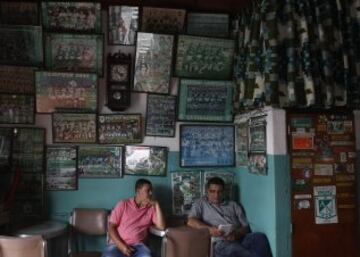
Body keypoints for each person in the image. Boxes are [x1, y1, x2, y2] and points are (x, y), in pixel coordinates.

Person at [187, 177, 272, 257]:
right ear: (207, 191)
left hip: (238, 237)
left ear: (224, 192)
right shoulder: (201, 203)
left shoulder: (233, 205)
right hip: (220, 241)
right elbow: (191, 221)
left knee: (259, 237)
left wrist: (236, 234)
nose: (216, 195)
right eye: (212, 191)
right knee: (233, 249)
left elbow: (246, 227)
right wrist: (209, 229)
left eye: (219, 191)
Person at [102, 178, 166, 257]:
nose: (151, 193)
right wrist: (122, 246)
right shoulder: (123, 204)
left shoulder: (151, 209)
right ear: (138, 191)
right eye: (148, 190)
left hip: (139, 247)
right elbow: (111, 228)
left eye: (151, 190)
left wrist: (157, 205)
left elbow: (161, 227)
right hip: (117, 245)